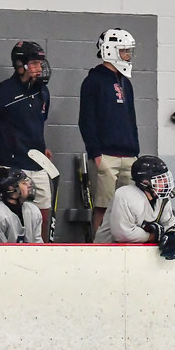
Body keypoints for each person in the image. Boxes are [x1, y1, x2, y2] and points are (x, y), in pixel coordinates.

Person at [0, 41, 54, 240]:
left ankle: (41, 250)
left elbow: (38, 122)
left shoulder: (43, 92)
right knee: (10, 213)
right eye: (34, 63)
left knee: (43, 214)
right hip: (11, 163)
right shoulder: (3, 91)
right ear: (20, 65)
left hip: (37, 163)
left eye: (40, 63)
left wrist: (42, 146)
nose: (39, 68)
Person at [78, 28, 140, 235]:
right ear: (110, 50)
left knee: (128, 207)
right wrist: (96, 154)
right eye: (124, 50)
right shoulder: (93, 81)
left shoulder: (126, 82)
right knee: (103, 207)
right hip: (105, 156)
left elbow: (131, 119)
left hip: (128, 156)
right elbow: (86, 120)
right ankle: (99, 244)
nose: (128, 55)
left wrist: (135, 151)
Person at [93, 155, 175, 260]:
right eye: (160, 179)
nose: (165, 183)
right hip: (106, 254)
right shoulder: (125, 195)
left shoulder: (162, 198)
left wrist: (173, 234)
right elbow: (122, 234)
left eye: (165, 178)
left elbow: (168, 224)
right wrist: (152, 236)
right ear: (145, 182)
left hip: (134, 256)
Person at [0, 167, 44, 243]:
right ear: (11, 188)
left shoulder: (33, 211)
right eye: (24, 183)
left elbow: (38, 245)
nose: (29, 185)